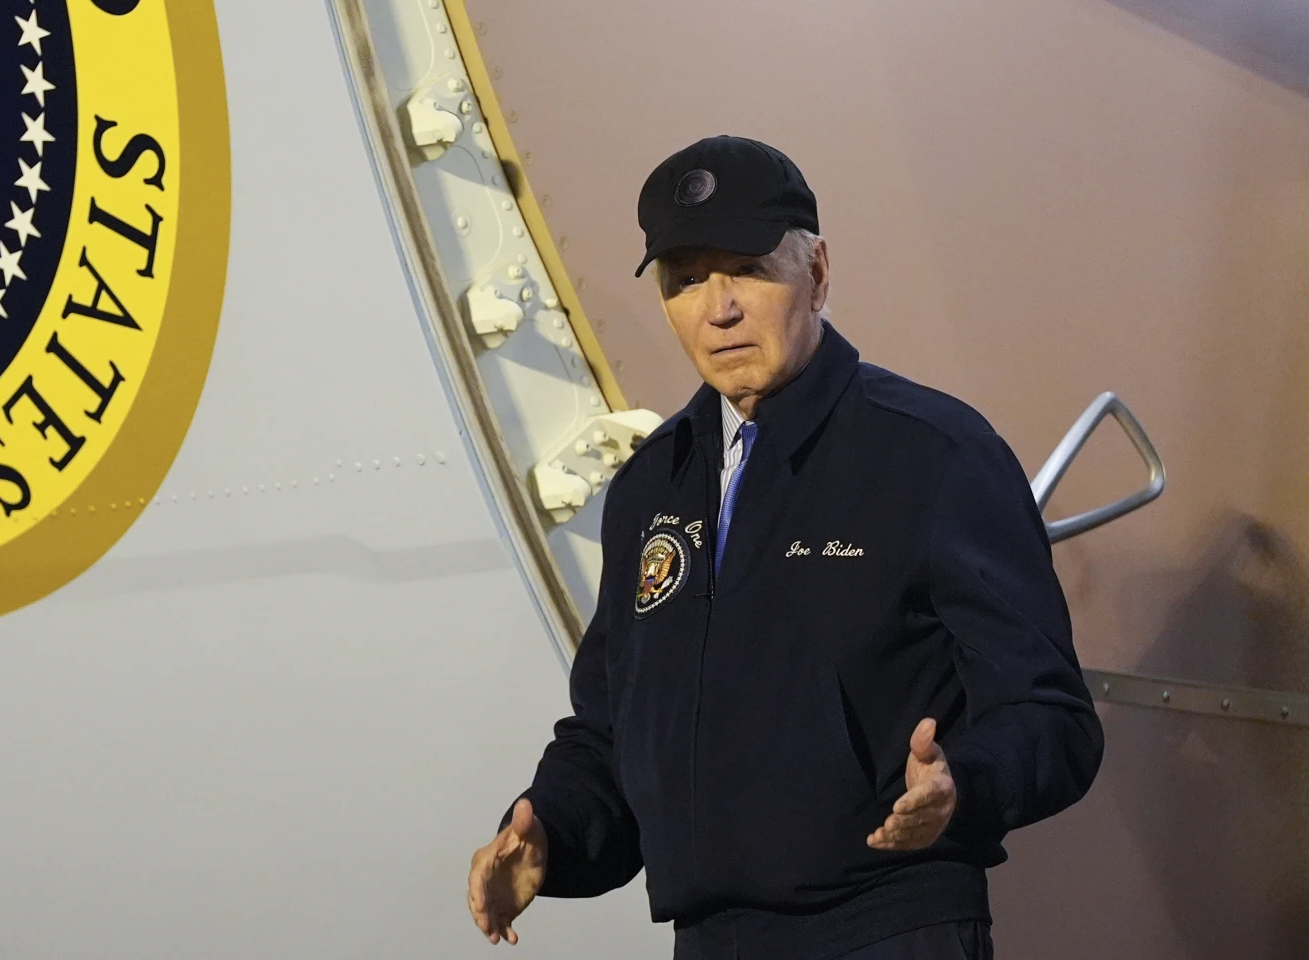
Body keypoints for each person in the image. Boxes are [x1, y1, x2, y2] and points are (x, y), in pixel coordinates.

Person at [466, 135, 1104, 959]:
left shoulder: (933, 454)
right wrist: (548, 833)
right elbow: (612, 737)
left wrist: (963, 783)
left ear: (818, 273)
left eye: (748, 269)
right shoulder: (651, 486)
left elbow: (1051, 717)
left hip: (889, 928)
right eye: (686, 279)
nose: (718, 307)